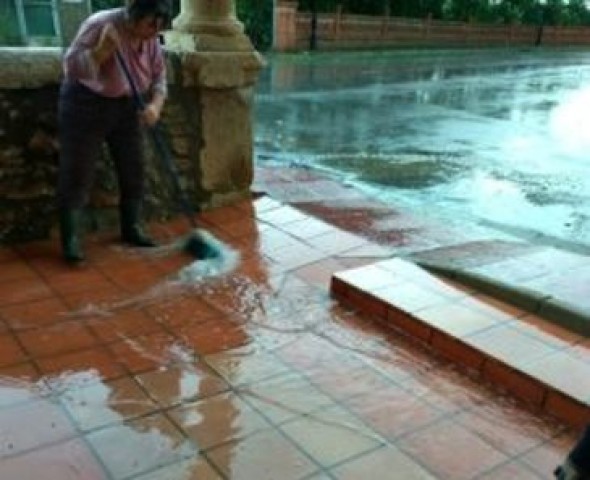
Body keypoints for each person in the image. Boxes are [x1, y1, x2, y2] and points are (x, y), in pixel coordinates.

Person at [57, 0, 171, 263]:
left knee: (134, 168)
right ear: (133, 16)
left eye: (160, 24)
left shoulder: (151, 37)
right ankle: (71, 240)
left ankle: (131, 228)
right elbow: (70, 67)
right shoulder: (100, 24)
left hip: (127, 104)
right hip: (85, 102)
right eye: (150, 23)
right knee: (78, 170)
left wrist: (155, 105)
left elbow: (159, 77)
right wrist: (101, 51)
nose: (155, 31)